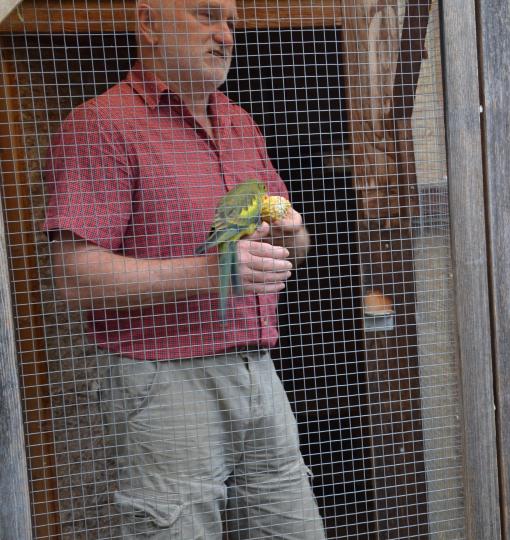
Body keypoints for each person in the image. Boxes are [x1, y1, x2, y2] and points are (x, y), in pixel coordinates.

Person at [42, 0, 325, 537]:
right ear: (148, 23)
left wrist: (291, 232)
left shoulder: (238, 122)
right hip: (165, 381)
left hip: (258, 371)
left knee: (294, 528)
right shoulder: (103, 124)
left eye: (231, 23)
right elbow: (74, 278)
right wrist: (212, 271)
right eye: (205, 15)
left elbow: (299, 241)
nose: (225, 35)